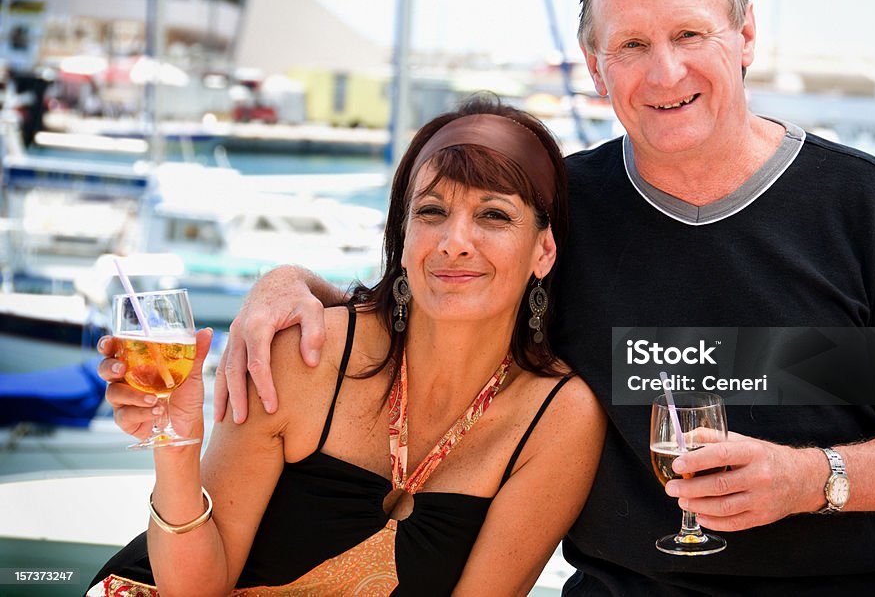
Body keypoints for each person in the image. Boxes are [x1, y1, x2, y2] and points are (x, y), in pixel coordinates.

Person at [209, 0, 875, 596]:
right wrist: (292, 280)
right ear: (595, 66)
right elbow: (428, 303)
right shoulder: (561, 212)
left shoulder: (863, 208)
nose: (666, 71)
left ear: (745, 36)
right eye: (632, 44)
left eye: (690, 34)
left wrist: (812, 480)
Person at [88, 97, 606, 596]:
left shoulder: (558, 417)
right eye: (431, 211)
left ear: (544, 249)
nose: (454, 241)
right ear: (402, 238)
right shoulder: (304, 354)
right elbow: (195, 589)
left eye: (494, 215)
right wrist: (177, 446)